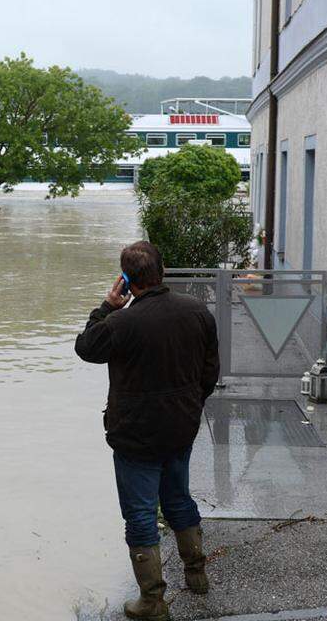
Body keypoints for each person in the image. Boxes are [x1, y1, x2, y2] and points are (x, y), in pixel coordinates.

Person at [75, 241, 219, 621]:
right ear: (163, 270)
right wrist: (189, 406)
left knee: (140, 514)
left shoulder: (120, 323)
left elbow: (85, 348)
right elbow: (210, 371)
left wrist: (108, 306)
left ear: (126, 280)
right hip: (181, 427)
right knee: (178, 500)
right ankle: (196, 574)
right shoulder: (197, 312)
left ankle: (153, 602)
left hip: (136, 435)